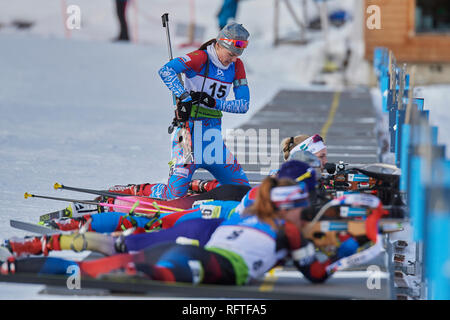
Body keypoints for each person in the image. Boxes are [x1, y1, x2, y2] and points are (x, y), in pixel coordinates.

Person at [0, 176, 361, 285]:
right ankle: (35, 251)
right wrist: (353, 250)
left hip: (186, 242)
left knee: (107, 261)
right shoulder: (288, 230)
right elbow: (315, 272)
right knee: (119, 267)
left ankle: (23, 256)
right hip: (207, 260)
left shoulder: (247, 209)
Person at [148, 22, 251, 200]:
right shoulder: (201, 58)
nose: (233, 59)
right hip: (187, 136)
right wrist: (184, 97)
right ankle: (141, 190)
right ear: (219, 44)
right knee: (174, 198)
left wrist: (213, 102)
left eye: (237, 55)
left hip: (212, 141)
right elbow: (166, 70)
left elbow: (243, 105)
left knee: (242, 191)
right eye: (231, 54)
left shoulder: (237, 66)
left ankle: (199, 187)